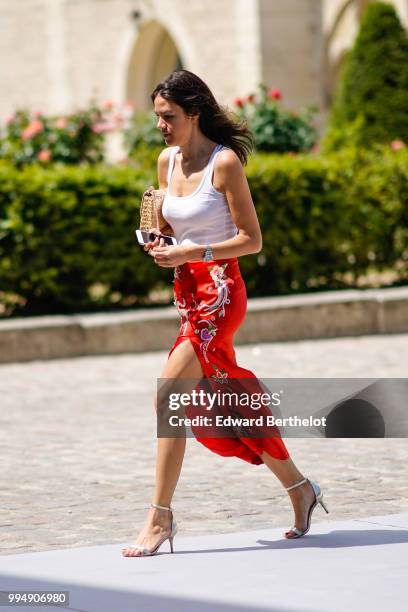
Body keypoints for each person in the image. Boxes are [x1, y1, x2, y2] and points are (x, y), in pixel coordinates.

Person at [122, 70, 328, 557]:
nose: (161, 126)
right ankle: (299, 488)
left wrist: (190, 254)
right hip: (188, 294)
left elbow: (251, 241)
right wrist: (158, 238)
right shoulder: (166, 161)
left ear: (195, 114)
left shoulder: (225, 163)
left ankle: (160, 518)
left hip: (220, 295)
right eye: (157, 117)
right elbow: (175, 232)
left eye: (169, 117)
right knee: (227, 402)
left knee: (169, 395)